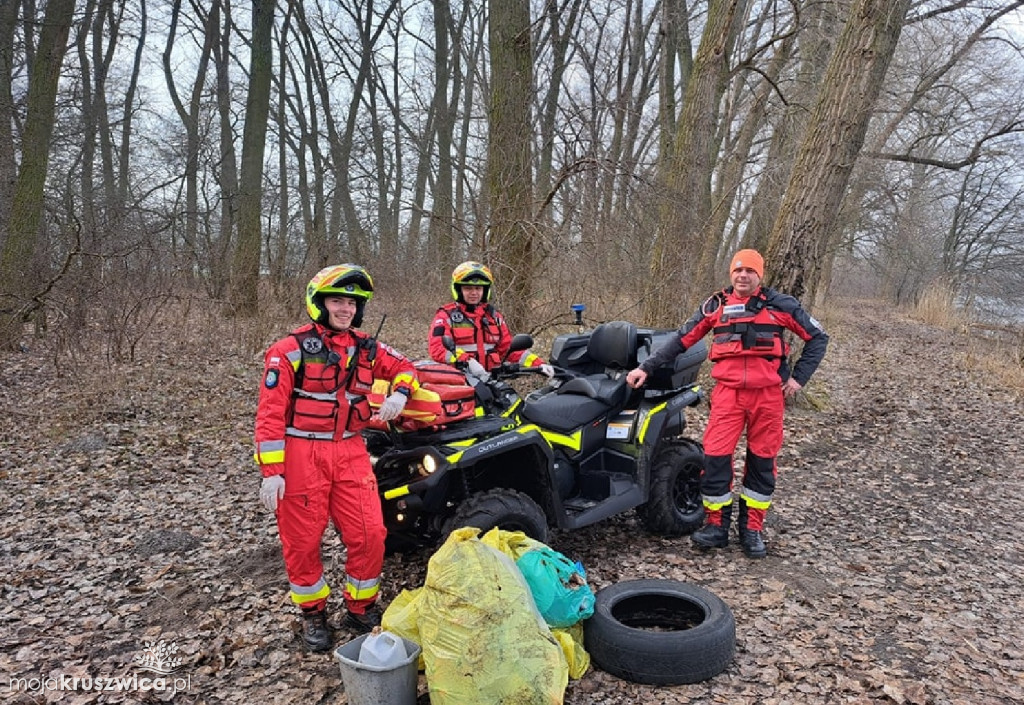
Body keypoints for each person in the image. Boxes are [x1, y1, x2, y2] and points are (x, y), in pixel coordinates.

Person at [253, 264, 418, 652]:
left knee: (371, 533)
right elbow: (270, 414)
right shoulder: (288, 350)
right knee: (303, 541)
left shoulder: (366, 347)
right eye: (337, 301)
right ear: (319, 303)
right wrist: (272, 472)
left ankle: (359, 607)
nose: (344, 309)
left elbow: (407, 368)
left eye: (351, 303)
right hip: (300, 454)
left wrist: (400, 396)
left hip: (350, 449)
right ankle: (313, 615)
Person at [626, 249, 828, 559]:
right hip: (728, 395)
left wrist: (799, 379)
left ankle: (752, 530)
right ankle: (716, 527)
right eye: (738, 270)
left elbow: (818, 337)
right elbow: (682, 339)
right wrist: (646, 367)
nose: (743, 275)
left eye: (750, 271)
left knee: (762, 462)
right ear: (731, 274)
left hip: (768, 396)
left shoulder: (781, 305)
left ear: (759, 275)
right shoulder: (716, 306)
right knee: (716, 459)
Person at [428, 260, 554, 379]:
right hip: (459, 382)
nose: (474, 293)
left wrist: (539, 364)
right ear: (458, 289)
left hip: (491, 380)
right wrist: (468, 361)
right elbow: (437, 349)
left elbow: (507, 349)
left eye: (478, 288)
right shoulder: (445, 316)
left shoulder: (494, 317)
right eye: (468, 288)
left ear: (485, 290)